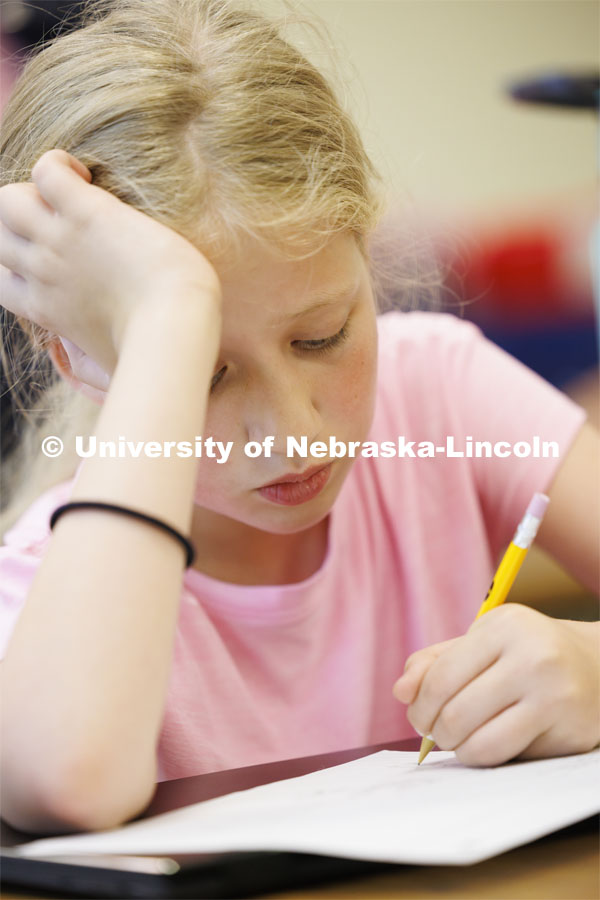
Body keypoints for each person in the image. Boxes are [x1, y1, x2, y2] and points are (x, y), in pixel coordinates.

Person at [0, 0, 598, 837]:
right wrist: (168, 310)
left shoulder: (436, 385)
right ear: (68, 353)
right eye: (200, 375)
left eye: (322, 336)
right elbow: (67, 784)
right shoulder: (41, 590)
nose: (294, 434)